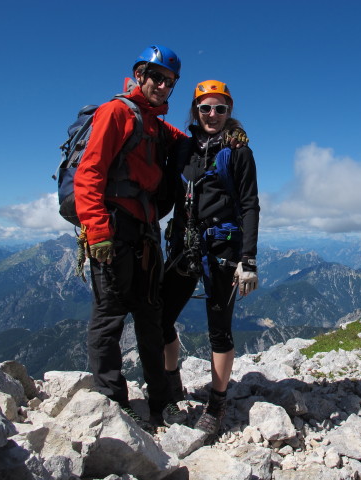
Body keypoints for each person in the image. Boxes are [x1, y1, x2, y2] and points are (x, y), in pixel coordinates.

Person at [74, 45, 190, 431]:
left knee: (149, 314)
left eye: (169, 81)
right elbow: (88, 173)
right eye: (155, 77)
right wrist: (97, 230)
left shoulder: (155, 125)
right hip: (113, 227)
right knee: (109, 313)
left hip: (144, 232)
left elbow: (189, 141)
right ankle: (112, 400)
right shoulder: (117, 112)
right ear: (139, 75)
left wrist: (230, 133)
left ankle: (160, 401)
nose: (161, 85)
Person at [161, 80, 260, 436]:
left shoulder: (239, 152)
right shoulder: (181, 148)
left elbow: (249, 205)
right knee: (160, 318)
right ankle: (172, 386)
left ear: (229, 112)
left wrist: (247, 259)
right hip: (183, 246)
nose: (213, 115)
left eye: (220, 109)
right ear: (195, 111)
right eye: (206, 108)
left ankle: (217, 403)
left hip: (222, 250)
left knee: (219, 329)